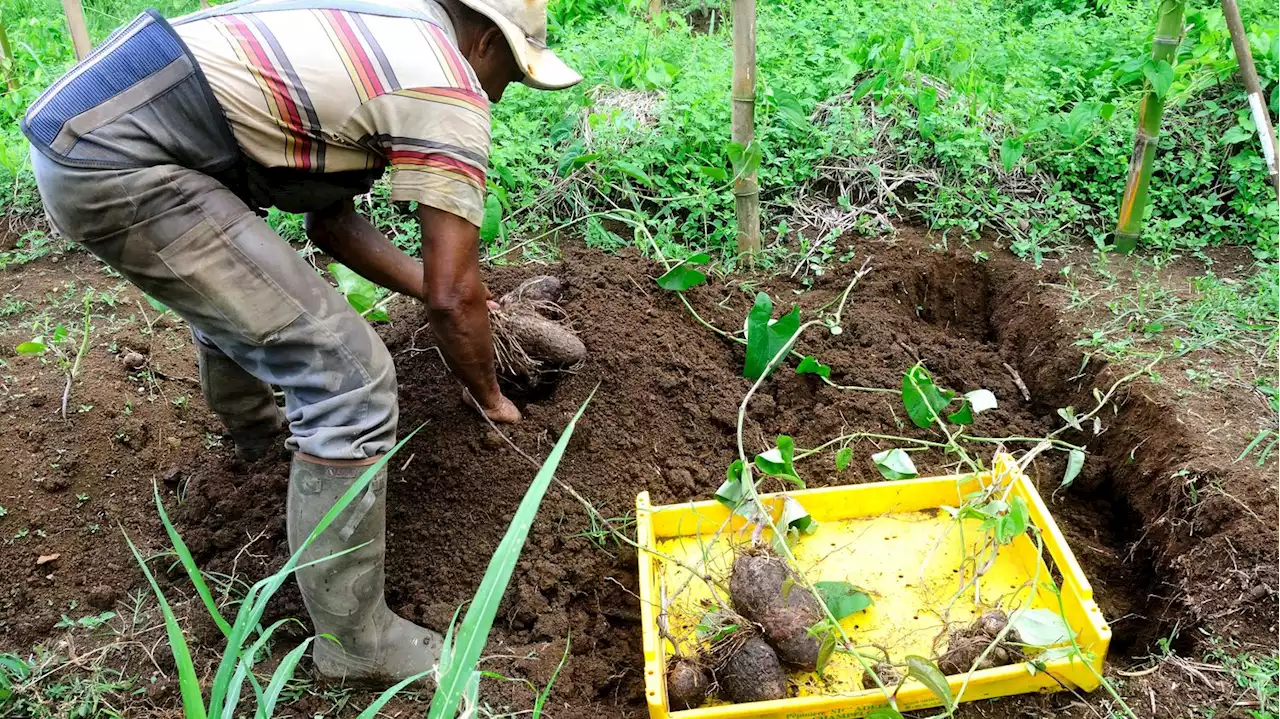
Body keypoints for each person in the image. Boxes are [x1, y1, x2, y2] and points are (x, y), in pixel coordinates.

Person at [22, 0, 580, 685]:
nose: (498, 94)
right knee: (352, 379)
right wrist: (491, 395)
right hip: (121, 157)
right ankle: (355, 640)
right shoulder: (445, 81)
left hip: (94, 128)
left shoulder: (381, 27)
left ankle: (259, 450)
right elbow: (450, 296)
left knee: (242, 295)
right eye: (510, 77)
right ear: (487, 41)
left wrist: (455, 291)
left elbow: (334, 228)